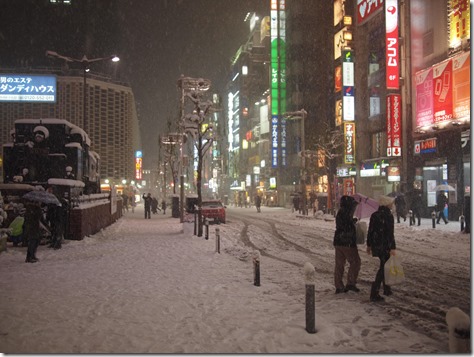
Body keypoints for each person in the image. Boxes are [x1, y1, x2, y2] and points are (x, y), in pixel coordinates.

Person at [366, 195, 397, 302]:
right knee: (384, 268)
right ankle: (374, 292)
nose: (393, 205)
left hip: (376, 244)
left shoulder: (375, 215)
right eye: (391, 203)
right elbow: (390, 233)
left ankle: (387, 288)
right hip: (385, 245)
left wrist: (369, 245)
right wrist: (392, 247)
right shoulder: (388, 216)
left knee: (384, 265)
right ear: (387, 204)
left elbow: (370, 231)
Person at [333, 195, 361, 294]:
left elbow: (342, 225)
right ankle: (351, 283)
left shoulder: (341, 212)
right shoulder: (346, 213)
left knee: (339, 264)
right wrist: (352, 223)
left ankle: (339, 285)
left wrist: (352, 221)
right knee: (355, 262)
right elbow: (347, 226)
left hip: (338, 241)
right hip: (347, 242)